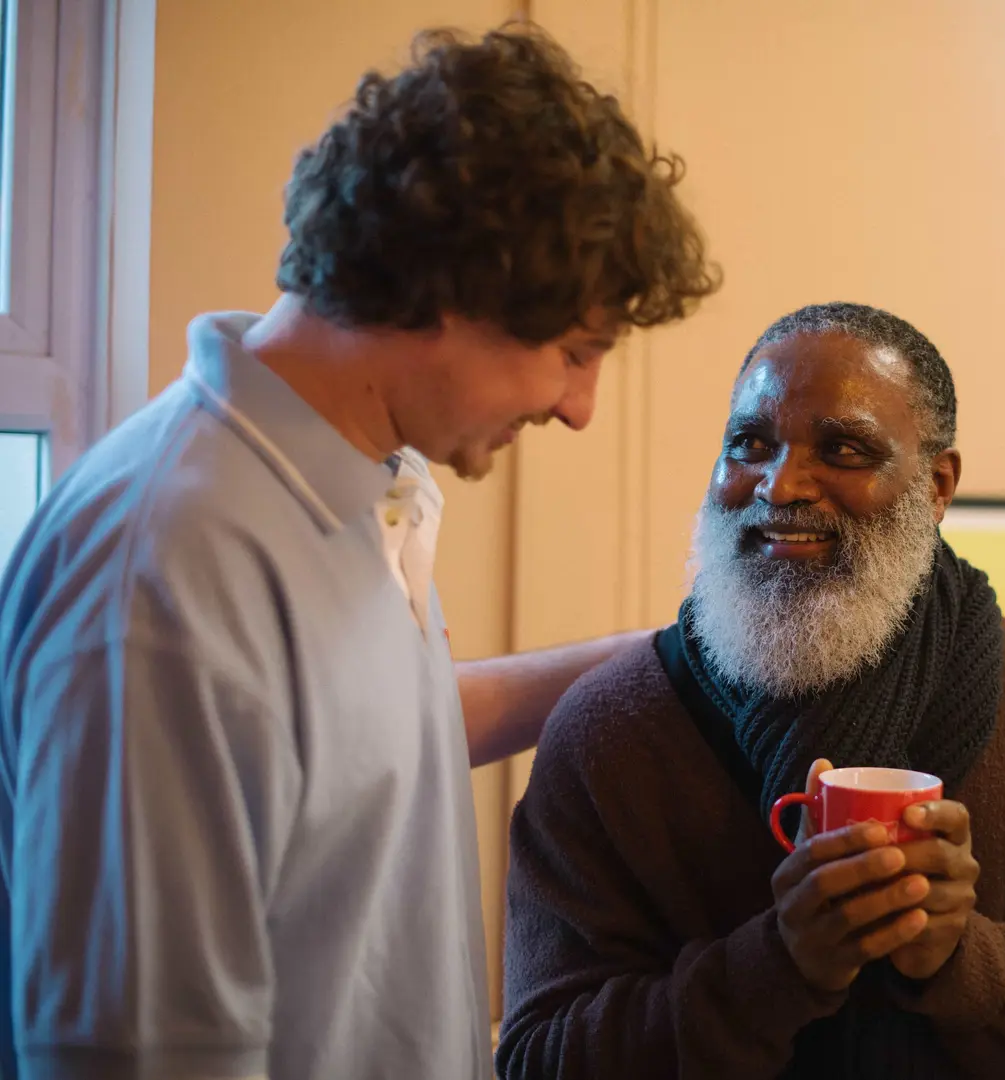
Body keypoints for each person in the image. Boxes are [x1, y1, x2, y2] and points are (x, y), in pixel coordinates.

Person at [0, 22, 716, 1080]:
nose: (578, 409)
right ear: (451, 286)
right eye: (573, 353)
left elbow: (364, 741)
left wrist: (678, 660)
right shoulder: (168, 571)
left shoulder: (360, 485)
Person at [499, 303, 1005, 1079]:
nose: (781, 485)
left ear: (936, 485)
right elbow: (538, 1061)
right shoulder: (609, 729)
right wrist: (775, 968)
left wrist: (964, 958)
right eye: (749, 444)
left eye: (844, 448)